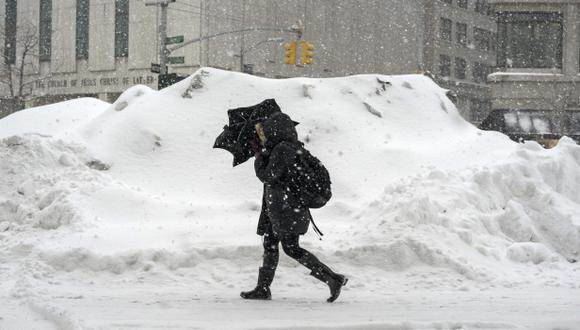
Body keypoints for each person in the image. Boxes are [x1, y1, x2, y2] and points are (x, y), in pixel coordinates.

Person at [240, 112, 348, 303]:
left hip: (286, 209)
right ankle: (263, 288)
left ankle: (332, 279)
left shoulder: (283, 149)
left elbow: (268, 176)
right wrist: (264, 152)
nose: (263, 135)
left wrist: (258, 156)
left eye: (266, 131)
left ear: (275, 131)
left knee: (291, 248)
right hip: (281, 208)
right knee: (270, 244)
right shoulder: (288, 147)